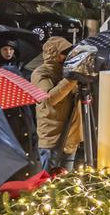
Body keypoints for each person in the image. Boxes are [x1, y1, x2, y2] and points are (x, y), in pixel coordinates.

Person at [31, 36, 82, 172]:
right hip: (52, 139)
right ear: (56, 55)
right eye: (66, 53)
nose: (69, 57)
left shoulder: (66, 72)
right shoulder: (40, 73)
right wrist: (71, 79)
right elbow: (49, 99)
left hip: (70, 137)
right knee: (48, 184)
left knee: (67, 185)